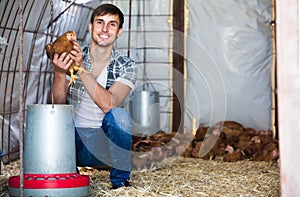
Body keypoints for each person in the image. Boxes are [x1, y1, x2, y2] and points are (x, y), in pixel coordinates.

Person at [48, 3, 136, 189]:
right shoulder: (71, 54)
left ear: (119, 31)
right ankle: (70, 175)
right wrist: (59, 73)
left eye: (112, 24)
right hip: (73, 143)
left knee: (120, 116)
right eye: (99, 22)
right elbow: (55, 106)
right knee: (53, 120)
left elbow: (108, 104)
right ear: (90, 27)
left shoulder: (126, 65)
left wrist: (81, 68)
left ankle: (120, 184)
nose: (104, 29)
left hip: (105, 145)